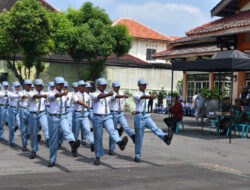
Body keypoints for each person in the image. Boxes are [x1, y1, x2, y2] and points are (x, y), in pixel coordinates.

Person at [133, 78, 173, 163]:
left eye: (145, 85)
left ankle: (165, 138)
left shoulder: (146, 93)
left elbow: (148, 97)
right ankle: (137, 156)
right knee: (139, 137)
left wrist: (154, 96)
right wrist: (151, 96)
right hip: (139, 116)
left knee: (155, 128)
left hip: (146, 115)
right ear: (139, 85)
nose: (145, 86)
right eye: (143, 85)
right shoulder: (136, 94)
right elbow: (142, 97)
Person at [91, 78, 128, 166]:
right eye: (102, 85)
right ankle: (97, 157)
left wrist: (122, 96)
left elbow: (115, 96)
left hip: (107, 116)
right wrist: (108, 94)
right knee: (98, 138)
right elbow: (99, 97)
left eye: (105, 85)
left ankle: (120, 143)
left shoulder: (108, 93)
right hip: (97, 118)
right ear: (97, 85)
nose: (104, 87)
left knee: (112, 129)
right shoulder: (94, 94)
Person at [47, 77, 80, 167]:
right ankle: (52, 159)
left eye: (62, 84)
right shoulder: (51, 92)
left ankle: (72, 144)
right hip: (53, 118)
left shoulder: (66, 94)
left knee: (67, 129)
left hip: (62, 116)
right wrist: (62, 94)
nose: (61, 85)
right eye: (59, 84)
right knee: (53, 141)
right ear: (55, 84)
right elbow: (55, 96)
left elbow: (67, 105)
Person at [109, 81, 135, 155]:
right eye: (116, 86)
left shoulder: (120, 93)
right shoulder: (111, 93)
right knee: (113, 131)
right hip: (113, 113)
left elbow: (123, 101)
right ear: (113, 86)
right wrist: (123, 96)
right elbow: (116, 97)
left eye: (119, 86)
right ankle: (111, 148)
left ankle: (133, 137)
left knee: (126, 126)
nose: (118, 88)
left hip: (120, 113)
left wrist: (131, 109)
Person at [28, 79, 49, 159]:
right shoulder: (30, 92)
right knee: (33, 134)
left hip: (42, 112)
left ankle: (48, 140)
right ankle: (33, 150)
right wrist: (43, 96)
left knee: (45, 126)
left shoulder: (45, 93)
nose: (40, 87)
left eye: (41, 85)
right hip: (33, 114)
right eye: (39, 85)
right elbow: (34, 96)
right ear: (35, 85)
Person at [72, 80, 94, 152]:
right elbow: (78, 101)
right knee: (75, 133)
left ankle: (92, 143)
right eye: (82, 85)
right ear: (78, 87)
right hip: (76, 114)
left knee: (87, 129)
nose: (83, 87)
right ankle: (74, 148)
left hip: (84, 114)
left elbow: (89, 105)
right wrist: (84, 104)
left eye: (84, 86)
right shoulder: (75, 94)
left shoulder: (87, 95)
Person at [18, 79, 32, 152]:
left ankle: (29, 135)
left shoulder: (33, 92)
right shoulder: (21, 92)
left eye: (30, 85)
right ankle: (24, 145)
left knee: (31, 127)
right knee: (23, 129)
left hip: (31, 110)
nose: (29, 86)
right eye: (27, 85)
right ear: (24, 85)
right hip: (23, 110)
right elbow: (22, 96)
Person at [8, 82, 21, 146]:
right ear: (13, 87)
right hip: (12, 109)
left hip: (18, 109)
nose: (17, 88)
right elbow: (12, 96)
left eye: (18, 86)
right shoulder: (10, 93)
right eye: (16, 86)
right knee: (11, 126)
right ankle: (11, 141)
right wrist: (20, 95)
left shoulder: (20, 93)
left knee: (20, 123)